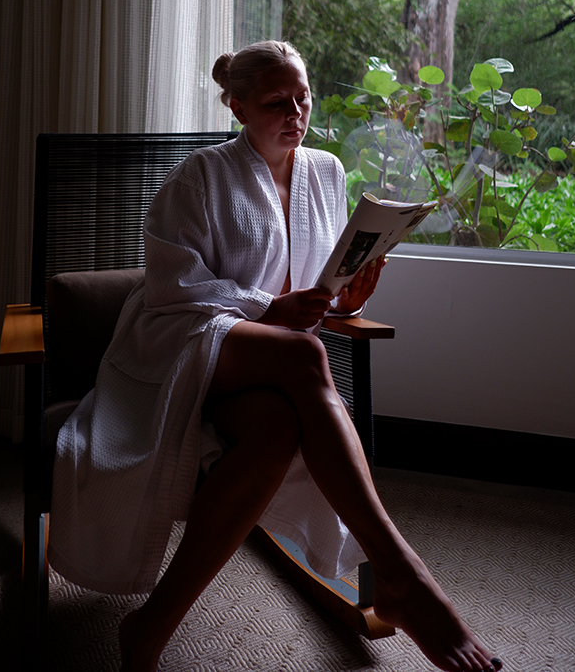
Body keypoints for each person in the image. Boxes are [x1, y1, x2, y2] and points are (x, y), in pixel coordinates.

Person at [49, 40, 502, 672]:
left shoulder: (326, 173)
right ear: (236, 106)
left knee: (278, 429)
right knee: (306, 360)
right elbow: (170, 285)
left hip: (268, 363)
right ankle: (403, 573)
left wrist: (347, 298)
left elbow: (314, 293)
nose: (295, 113)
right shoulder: (199, 176)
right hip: (183, 341)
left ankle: (149, 628)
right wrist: (266, 308)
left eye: (303, 98)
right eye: (274, 102)